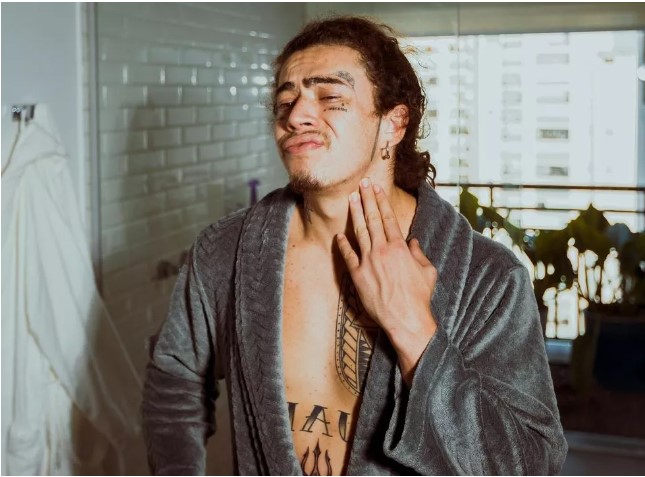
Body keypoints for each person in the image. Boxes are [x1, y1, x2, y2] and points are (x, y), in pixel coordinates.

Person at [141, 16, 568, 476]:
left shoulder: (487, 276)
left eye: (330, 98)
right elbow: (174, 378)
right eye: (285, 101)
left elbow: (530, 465)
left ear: (393, 124)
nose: (296, 116)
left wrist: (415, 330)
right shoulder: (226, 251)